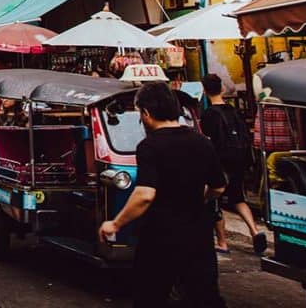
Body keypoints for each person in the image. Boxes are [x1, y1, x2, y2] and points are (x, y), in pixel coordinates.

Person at [98, 82, 227, 308]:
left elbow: (145, 194)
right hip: (198, 234)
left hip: (160, 235)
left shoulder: (149, 146)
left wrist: (116, 224)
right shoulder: (202, 142)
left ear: (146, 113)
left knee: (150, 295)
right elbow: (218, 187)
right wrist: (199, 198)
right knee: (205, 296)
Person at [201, 74, 266, 255]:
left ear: (205, 91)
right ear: (221, 89)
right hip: (238, 162)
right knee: (238, 198)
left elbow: (208, 142)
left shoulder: (208, 115)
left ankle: (222, 242)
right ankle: (254, 230)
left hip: (219, 163)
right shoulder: (233, 111)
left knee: (214, 201)